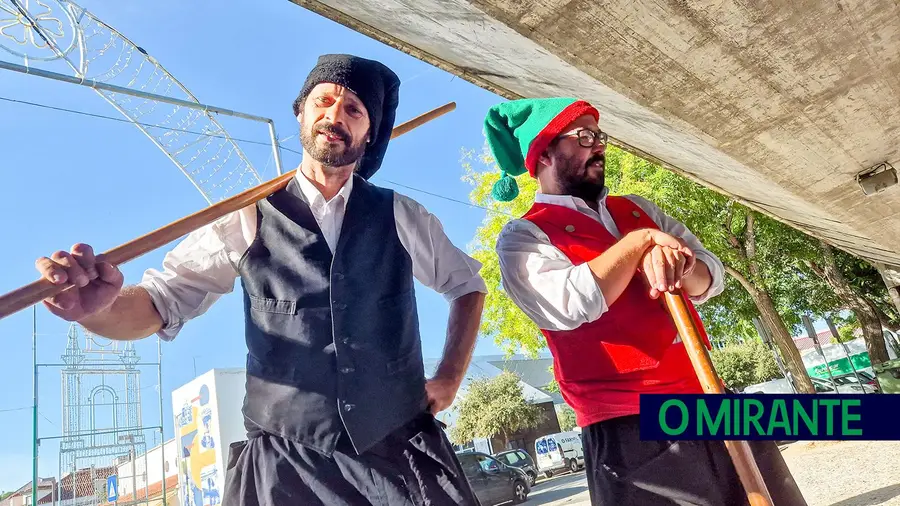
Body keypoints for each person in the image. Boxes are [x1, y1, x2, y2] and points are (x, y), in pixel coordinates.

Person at [35, 54, 486, 506]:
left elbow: (466, 285)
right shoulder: (245, 216)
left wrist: (449, 376)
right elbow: (159, 302)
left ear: (369, 134)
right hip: (287, 469)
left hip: (398, 453)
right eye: (323, 101)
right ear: (301, 114)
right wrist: (100, 309)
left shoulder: (403, 216)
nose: (334, 115)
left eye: (354, 109)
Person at [483, 97, 807, 505]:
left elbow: (711, 276)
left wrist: (680, 262)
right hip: (629, 426)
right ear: (543, 151)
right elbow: (569, 304)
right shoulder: (524, 236)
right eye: (584, 137)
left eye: (600, 136)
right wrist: (640, 243)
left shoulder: (639, 208)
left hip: (713, 400)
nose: (599, 146)